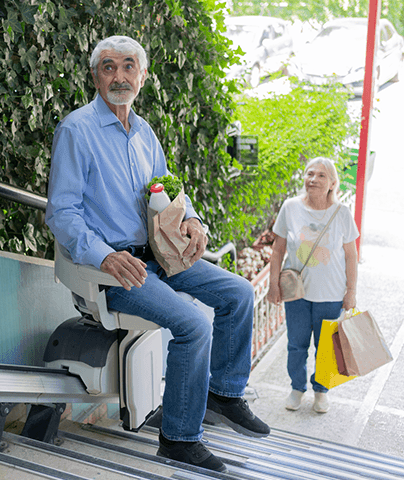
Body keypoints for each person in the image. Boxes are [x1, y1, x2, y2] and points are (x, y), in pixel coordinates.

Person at [45, 35, 270, 472]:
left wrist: (194, 222)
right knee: (193, 326)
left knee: (239, 294)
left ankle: (223, 393)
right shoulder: (77, 130)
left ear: (142, 77)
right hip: (117, 271)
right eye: (108, 67)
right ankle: (179, 440)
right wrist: (105, 256)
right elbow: (63, 213)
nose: (119, 76)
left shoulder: (144, 132)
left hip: (160, 257)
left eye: (129, 66)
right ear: (95, 76)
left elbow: (167, 191)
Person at [267, 157, 359, 413]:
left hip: (330, 294)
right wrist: (273, 285)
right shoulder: (291, 207)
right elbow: (278, 250)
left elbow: (351, 255)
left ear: (332, 183)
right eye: (310, 174)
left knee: (326, 347)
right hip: (297, 293)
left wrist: (351, 291)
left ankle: (321, 391)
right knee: (296, 344)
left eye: (320, 176)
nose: (313, 180)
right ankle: (297, 388)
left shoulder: (341, 213)